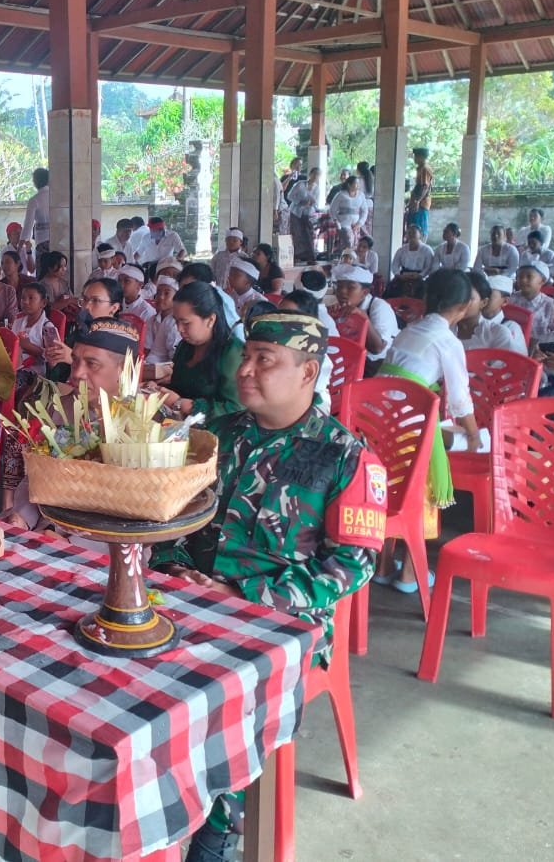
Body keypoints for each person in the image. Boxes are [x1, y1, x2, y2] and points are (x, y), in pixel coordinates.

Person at [149, 312, 386, 862]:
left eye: (265, 361)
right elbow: (172, 516)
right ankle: (144, 809)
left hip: (278, 622)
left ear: (308, 372)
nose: (246, 370)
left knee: (228, 694)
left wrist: (244, 598)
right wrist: (175, 571)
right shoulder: (217, 436)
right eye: (246, 357)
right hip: (192, 596)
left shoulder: (345, 457)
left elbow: (351, 565)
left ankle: (218, 830)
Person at [377, 269, 483, 592]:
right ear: (464, 307)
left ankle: (383, 565)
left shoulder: (409, 331)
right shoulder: (447, 342)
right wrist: (474, 436)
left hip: (380, 423)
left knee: (393, 488)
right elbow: (462, 401)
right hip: (409, 427)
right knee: (423, 489)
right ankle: (410, 573)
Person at [1, 317, 141, 529]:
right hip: (45, 527)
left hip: (104, 538)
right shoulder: (59, 409)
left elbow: (135, 513)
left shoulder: (143, 428)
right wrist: (22, 517)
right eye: (75, 361)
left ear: (125, 370)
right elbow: (37, 477)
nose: (76, 373)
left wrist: (68, 536)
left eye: (92, 364)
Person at [152, 281, 245, 422]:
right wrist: (159, 389)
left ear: (210, 320)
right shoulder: (185, 347)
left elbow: (236, 409)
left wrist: (183, 404)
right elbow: (181, 388)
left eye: (186, 323)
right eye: (176, 321)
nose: (179, 329)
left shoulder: (232, 353)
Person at [43, 278, 124, 385]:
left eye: (95, 301)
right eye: (85, 299)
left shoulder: (120, 339)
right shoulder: (81, 332)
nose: (87, 306)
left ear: (114, 308)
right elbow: (60, 376)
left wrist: (73, 359)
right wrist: (55, 362)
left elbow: (114, 380)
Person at [331, 264, 398, 374]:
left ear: (365, 292)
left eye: (350, 287)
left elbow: (377, 349)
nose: (342, 291)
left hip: (378, 364)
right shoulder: (342, 307)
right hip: (353, 360)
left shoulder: (379, 307)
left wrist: (363, 318)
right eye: (339, 286)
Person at [455, 272, 524, 354]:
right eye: (456, 296)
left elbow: (516, 358)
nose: (460, 302)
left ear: (484, 302)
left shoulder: (504, 330)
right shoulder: (448, 326)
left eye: (489, 295)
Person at [11, 281, 54, 375]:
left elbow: (53, 359)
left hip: (34, 374)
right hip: (14, 368)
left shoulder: (48, 327)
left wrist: (29, 346)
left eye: (31, 298)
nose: (25, 302)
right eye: (23, 298)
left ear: (43, 303)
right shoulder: (17, 321)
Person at [508, 261, 554, 345]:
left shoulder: (549, 305)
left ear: (542, 281)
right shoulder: (510, 300)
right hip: (511, 344)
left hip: (538, 347)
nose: (523, 280)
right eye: (520, 276)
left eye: (529, 276)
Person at [386, 223, 435, 299]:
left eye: (414, 232)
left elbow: (429, 267)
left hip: (420, 277)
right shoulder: (402, 249)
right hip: (403, 276)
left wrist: (420, 275)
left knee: (423, 293)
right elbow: (394, 265)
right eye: (409, 233)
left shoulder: (427, 250)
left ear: (420, 235)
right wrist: (398, 275)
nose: (411, 235)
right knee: (391, 290)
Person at [287, 167, 322, 264]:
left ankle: (310, 257)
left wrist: (311, 203)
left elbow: (316, 203)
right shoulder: (300, 184)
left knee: (308, 234)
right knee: (296, 234)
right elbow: (290, 196)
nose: (315, 177)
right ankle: (296, 256)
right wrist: (300, 202)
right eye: (314, 174)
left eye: (318, 175)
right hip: (296, 212)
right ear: (310, 174)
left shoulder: (317, 189)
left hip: (308, 214)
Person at [146, 275, 181, 365]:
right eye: (158, 293)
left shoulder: (175, 322)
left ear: (177, 297)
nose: (161, 297)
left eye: (166, 293)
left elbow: (175, 357)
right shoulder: (152, 320)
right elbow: (150, 351)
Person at [328, 175, 367, 253]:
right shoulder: (341, 195)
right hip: (343, 224)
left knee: (358, 243)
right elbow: (332, 209)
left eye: (358, 184)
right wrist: (335, 220)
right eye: (356, 183)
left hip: (356, 225)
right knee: (349, 240)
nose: (358, 186)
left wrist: (360, 223)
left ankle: (353, 258)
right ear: (349, 185)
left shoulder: (361, 195)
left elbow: (364, 210)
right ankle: (347, 257)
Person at [21, 167, 50, 255]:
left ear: (36, 182)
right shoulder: (56, 197)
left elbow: (28, 226)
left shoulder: (34, 200)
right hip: (58, 241)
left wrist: (20, 247)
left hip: (42, 242)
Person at [406, 147, 433, 237]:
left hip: (421, 204)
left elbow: (424, 186)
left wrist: (417, 201)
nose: (414, 158)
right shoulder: (420, 168)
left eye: (416, 156)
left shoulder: (425, 168)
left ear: (421, 157)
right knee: (412, 226)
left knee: (419, 228)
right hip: (416, 202)